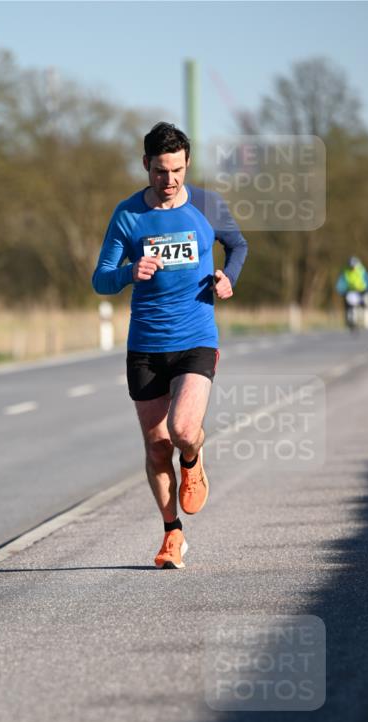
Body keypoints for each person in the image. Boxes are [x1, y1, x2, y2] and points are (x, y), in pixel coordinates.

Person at [92, 122, 248, 569]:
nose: (170, 180)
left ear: (187, 164)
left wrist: (227, 277)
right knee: (157, 444)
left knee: (182, 432)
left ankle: (194, 458)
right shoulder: (127, 215)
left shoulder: (206, 204)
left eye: (177, 170)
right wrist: (128, 272)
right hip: (145, 344)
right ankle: (171, 534)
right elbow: (100, 278)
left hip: (196, 336)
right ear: (146, 166)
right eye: (161, 171)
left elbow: (238, 246)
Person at [336, 257, 368, 330]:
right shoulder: (345, 271)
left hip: (363, 291)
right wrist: (341, 290)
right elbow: (341, 283)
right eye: (351, 266)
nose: (353, 267)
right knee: (351, 307)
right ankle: (351, 323)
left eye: (354, 266)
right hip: (351, 291)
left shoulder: (362, 270)